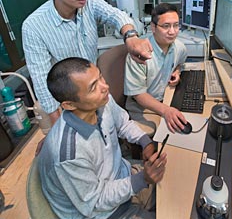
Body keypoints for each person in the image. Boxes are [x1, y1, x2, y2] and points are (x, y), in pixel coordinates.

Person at [22, 0, 153, 125]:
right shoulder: (33, 27)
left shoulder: (89, 1)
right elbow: (42, 83)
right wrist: (59, 126)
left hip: (93, 89)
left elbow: (115, 15)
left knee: (114, 131)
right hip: (69, 102)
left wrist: (130, 36)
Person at [38, 57, 167, 218]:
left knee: (178, 188)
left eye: (100, 77)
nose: (105, 87)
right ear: (69, 104)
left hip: (122, 177)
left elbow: (123, 123)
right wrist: (142, 179)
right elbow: (94, 201)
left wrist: (145, 142)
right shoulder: (68, 154)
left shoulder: (101, 101)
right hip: (104, 212)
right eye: (93, 87)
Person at [124, 3, 188, 133]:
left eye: (176, 25)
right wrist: (165, 110)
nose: (172, 31)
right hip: (142, 106)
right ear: (153, 27)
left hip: (166, 98)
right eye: (166, 26)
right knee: (163, 134)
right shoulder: (139, 54)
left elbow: (180, 63)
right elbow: (138, 95)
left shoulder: (179, 47)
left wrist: (177, 72)